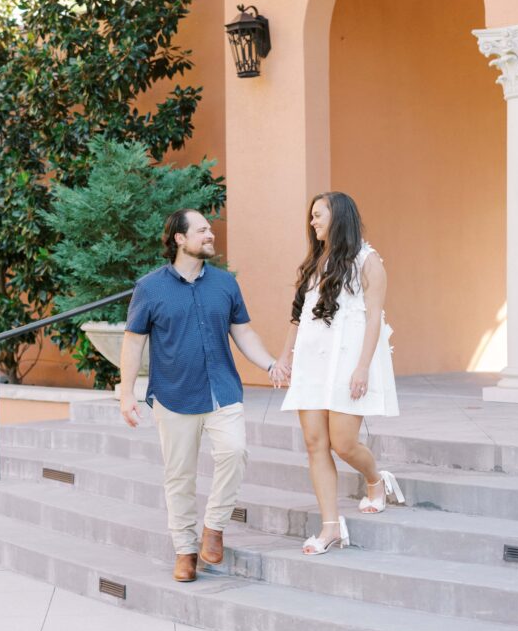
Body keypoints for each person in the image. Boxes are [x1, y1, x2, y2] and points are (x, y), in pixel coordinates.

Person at [119, 209, 279, 583]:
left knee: (235, 451)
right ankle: (185, 551)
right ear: (179, 238)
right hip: (174, 394)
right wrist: (126, 393)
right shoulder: (150, 287)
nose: (210, 235)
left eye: (210, 230)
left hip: (222, 389)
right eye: (202, 230)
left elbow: (244, 334)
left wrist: (270, 364)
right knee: (179, 477)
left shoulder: (225, 284)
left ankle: (214, 527)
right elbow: (133, 342)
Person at [271, 192, 402, 556]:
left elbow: (374, 317)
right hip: (313, 362)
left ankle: (376, 480)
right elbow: (298, 317)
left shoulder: (368, 261)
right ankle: (330, 527)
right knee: (315, 444)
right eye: (311, 217)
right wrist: (285, 358)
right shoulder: (314, 262)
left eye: (318, 215)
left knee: (343, 443)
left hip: (347, 361)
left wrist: (362, 367)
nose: (312, 223)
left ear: (339, 215)